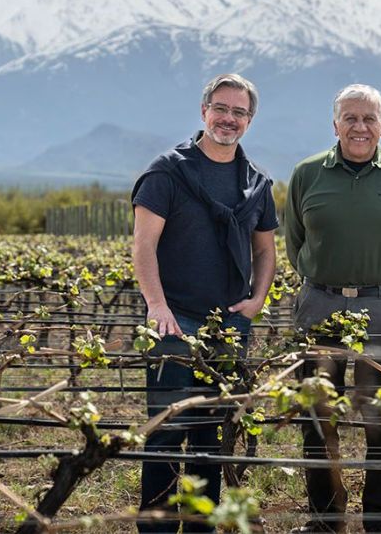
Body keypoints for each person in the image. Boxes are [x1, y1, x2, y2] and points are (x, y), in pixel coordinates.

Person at [131, 73, 278, 533]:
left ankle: (200, 527)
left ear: (249, 121)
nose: (228, 119)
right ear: (203, 111)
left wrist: (256, 300)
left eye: (239, 112)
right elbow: (143, 247)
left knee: (208, 435)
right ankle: (154, 527)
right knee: (165, 432)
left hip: (229, 325)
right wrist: (157, 307)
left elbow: (265, 250)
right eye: (221, 108)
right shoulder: (167, 171)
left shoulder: (255, 182)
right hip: (174, 319)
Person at [284, 83, 381, 534]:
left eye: (368, 119)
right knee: (317, 416)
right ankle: (327, 519)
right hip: (320, 304)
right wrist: (326, 284)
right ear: (335, 124)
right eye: (350, 118)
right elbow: (295, 243)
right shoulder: (307, 174)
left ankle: (378, 519)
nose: (359, 127)